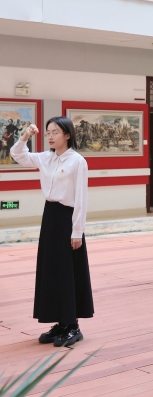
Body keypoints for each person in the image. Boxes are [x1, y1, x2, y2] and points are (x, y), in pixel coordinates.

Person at [10, 118, 93, 348]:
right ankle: (60, 323)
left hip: (68, 219)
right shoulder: (46, 158)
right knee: (51, 270)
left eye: (55, 132)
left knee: (67, 272)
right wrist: (26, 135)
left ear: (67, 135)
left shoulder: (78, 161)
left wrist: (77, 231)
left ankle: (73, 326)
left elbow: (81, 199)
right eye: (48, 132)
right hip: (50, 217)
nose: (50, 136)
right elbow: (17, 154)